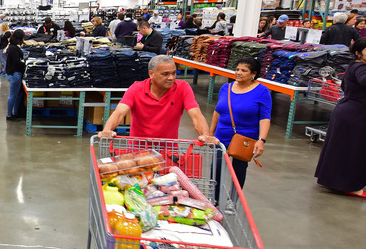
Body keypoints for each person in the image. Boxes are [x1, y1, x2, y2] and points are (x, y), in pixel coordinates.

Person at [98, 55, 217, 143]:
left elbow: (196, 115)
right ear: (151, 74)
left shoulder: (182, 88)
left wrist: (205, 135)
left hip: (168, 150)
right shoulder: (136, 88)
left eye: (174, 73)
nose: (171, 78)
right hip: (138, 149)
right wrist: (107, 130)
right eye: (165, 74)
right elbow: (119, 113)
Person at [209, 57, 271, 189]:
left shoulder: (262, 91)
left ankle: (233, 200)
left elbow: (265, 118)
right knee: (216, 169)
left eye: (244, 70)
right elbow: (217, 112)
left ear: (253, 74)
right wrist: (210, 134)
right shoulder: (226, 88)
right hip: (221, 136)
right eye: (237, 69)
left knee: (239, 171)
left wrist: (261, 140)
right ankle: (214, 201)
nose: (238, 72)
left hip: (245, 138)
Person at [315, 38, 366, 198]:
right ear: (358, 53)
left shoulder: (354, 66)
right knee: (353, 150)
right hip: (355, 114)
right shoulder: (360, 66)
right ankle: (350, 187)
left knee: (341, 148)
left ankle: (335, 182)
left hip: (349, 111)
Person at [5, 30, 26, 121]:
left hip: (13, 73)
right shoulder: (13, 48)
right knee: (13, 95)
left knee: (18, 94)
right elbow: (17, 62)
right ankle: (9, 115)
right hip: (14, 74)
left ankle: (15, 112)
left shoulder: (13, 46)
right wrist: (25, 64)